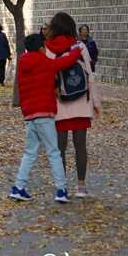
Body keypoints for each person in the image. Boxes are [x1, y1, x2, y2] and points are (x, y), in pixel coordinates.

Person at [11, 31, 84, 203]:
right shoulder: (44, 63)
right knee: (54, 153)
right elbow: (65, 62)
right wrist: (77, 49)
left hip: (29, 115)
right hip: (44, 114)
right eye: (44, 46)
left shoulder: (22, 64)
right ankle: (61, 190)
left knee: (30, 153)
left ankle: (19, 187)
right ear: (41, 49)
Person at [46, 11, 101, 199]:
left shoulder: (48, 48)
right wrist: (96, 102)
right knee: (80, 146)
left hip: (59, 103)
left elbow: (47, 77)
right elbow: (90, 76)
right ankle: (81, 186)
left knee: (59, 148)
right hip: (81, 101)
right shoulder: (80, 46)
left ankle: (61, 187)